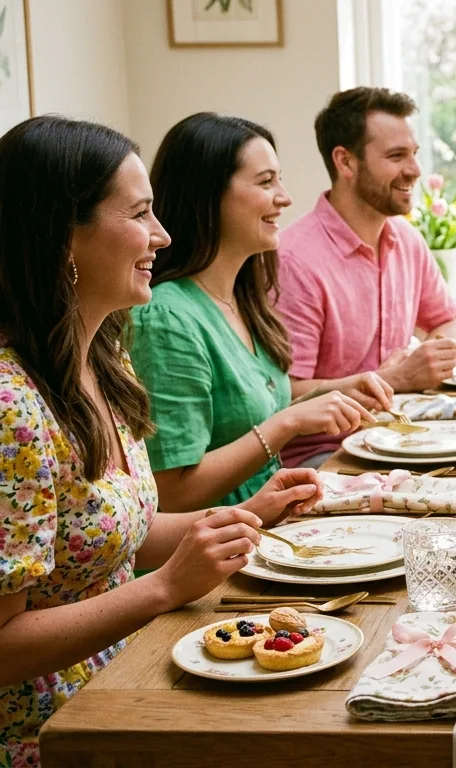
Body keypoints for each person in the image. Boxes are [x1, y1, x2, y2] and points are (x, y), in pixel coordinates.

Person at [0, 116, 322, 767]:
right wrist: (164, 587)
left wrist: (241, 517)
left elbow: (112, 531)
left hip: (129, 681)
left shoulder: (98, 365)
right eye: (141, 214)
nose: (163, 236)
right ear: (65, 234)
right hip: (56, 736)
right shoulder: (11, 406)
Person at [130, 113, 393, 512]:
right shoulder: (167, 319)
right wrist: (288, 424)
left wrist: (334, 390)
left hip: (271, 524)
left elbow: (246, 413)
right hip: (218, 553)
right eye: (266, 182)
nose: (285, 197)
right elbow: (171, 493)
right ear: (208, 194)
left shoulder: (242, 298)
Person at [275, 87, 456, 468]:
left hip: (397, 440)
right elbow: (283, 394)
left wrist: (426, 357)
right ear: (345, 162)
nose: (414, 169)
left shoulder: (406, 239)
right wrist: (397, 378)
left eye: (413, 154)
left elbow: (452, 320)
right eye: (396, 156)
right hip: (323, 458)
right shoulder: (294, 260)